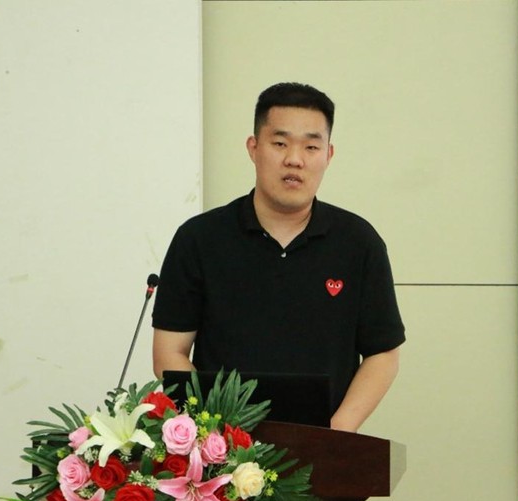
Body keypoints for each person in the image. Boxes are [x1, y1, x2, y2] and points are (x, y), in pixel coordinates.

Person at [152, 82, 405, 434]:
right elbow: (169, 353)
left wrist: (336, 432)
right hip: (221, 451)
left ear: (328, 154)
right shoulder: (199, 239)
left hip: (324, 446)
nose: (295, 159)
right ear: (253, 148)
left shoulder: (359, 242)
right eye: (280, 143)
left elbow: (383, 353)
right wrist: (215, 434)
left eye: (311, 146)